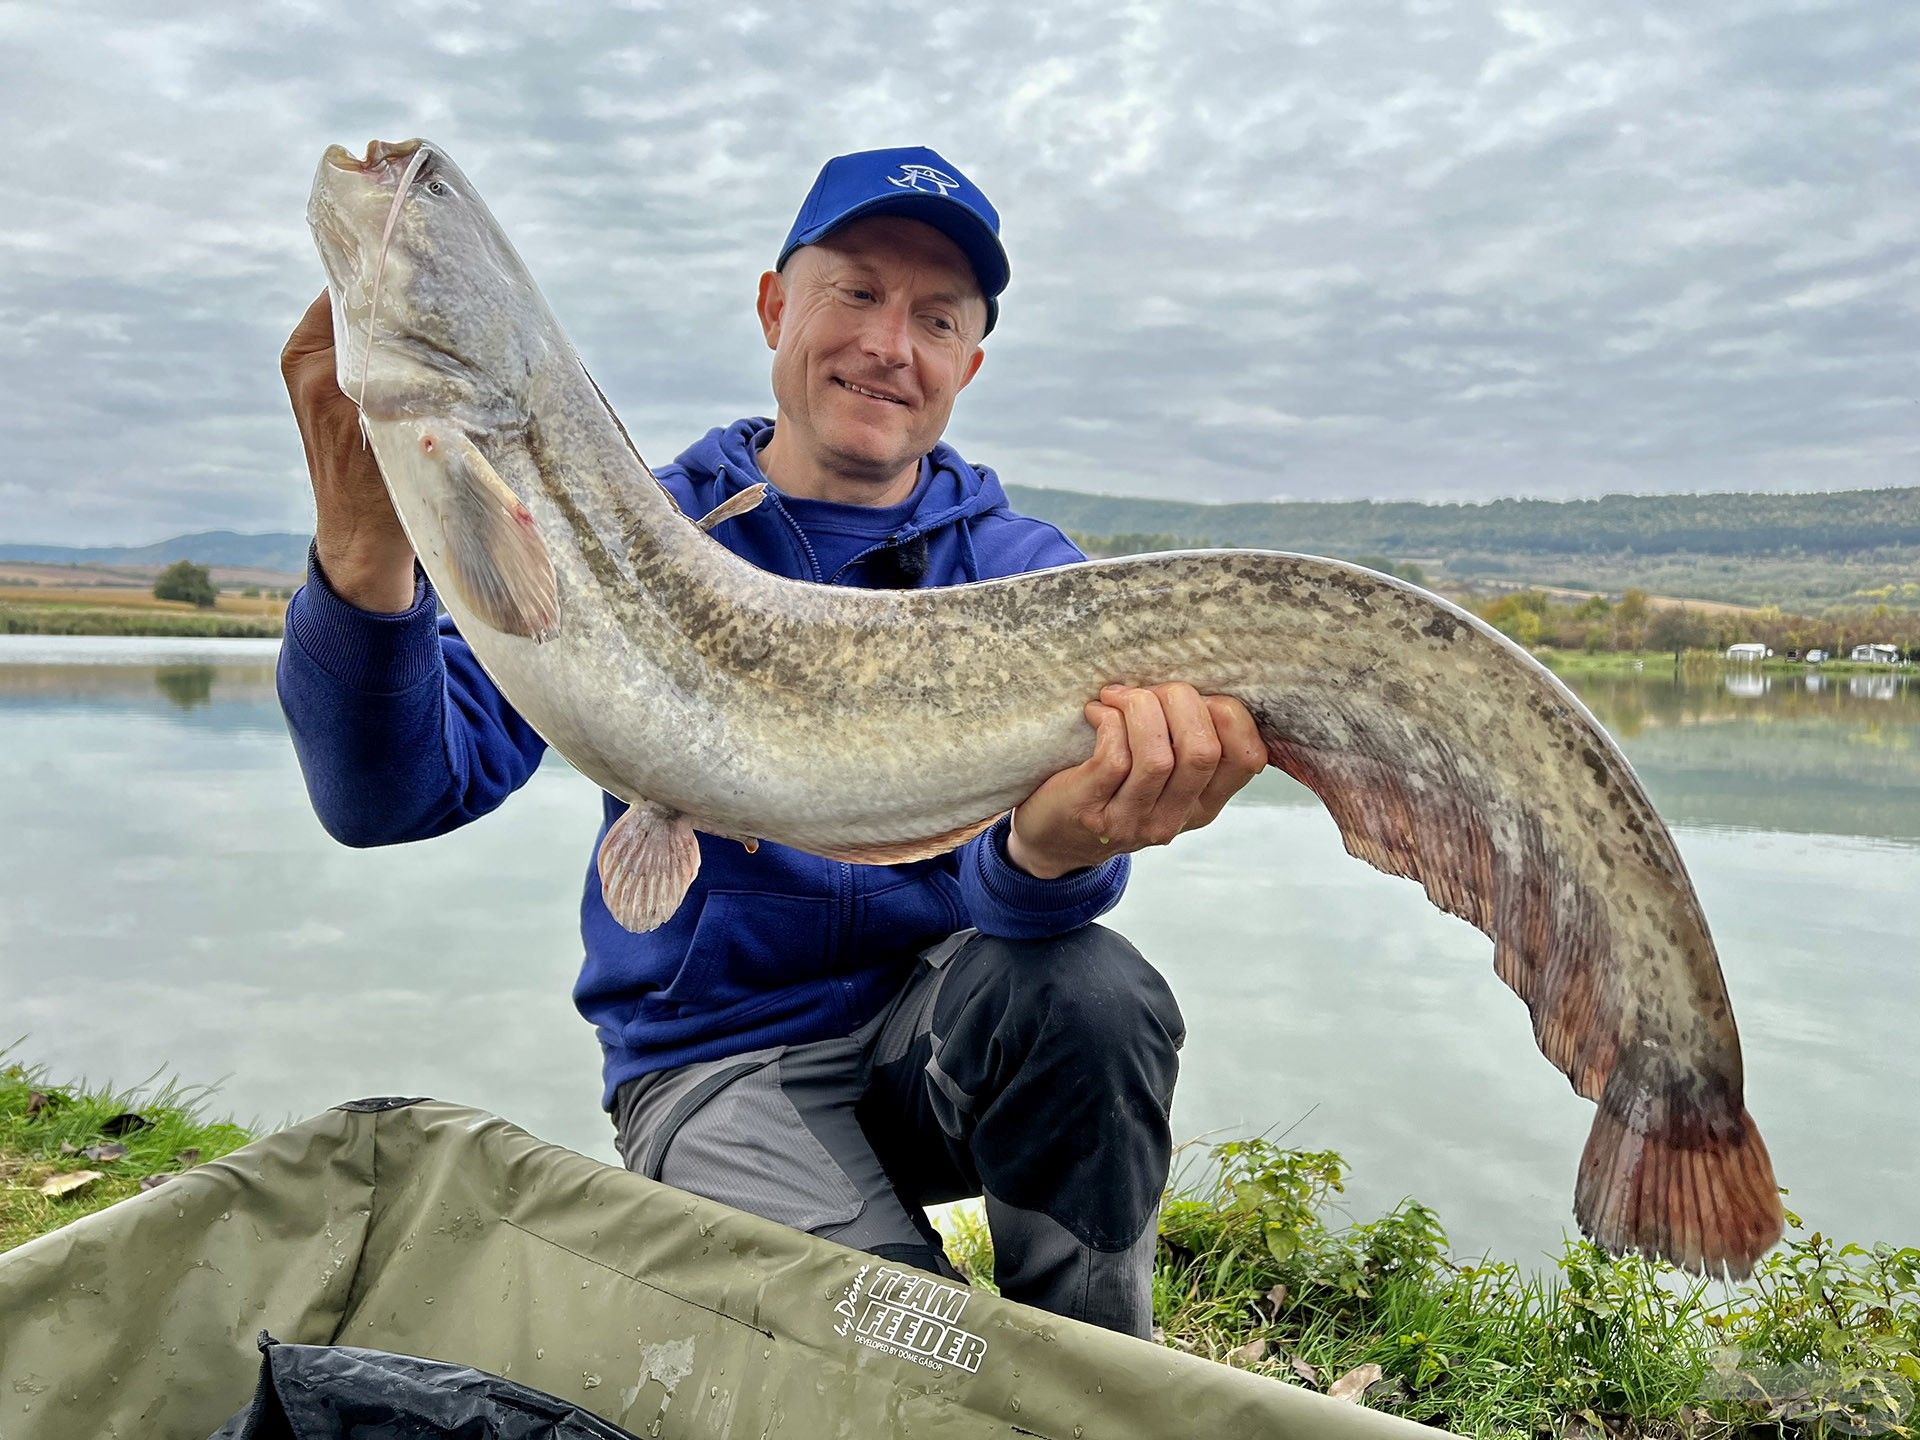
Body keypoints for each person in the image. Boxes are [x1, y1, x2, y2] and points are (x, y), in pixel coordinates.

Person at [276, 146, 1266, 1338]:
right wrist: (361, 545)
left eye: (935, 316)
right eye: (854, 291)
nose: (888, 344)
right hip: (716, 1060)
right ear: (773, 305)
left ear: (969, 362)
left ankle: (1107, 1368)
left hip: (934, 1041)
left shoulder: (1023, 581)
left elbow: (1022, 918)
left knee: (1095, 992)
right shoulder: (624, 523)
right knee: (895, 1355)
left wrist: (1055, 855)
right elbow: (387, 796)